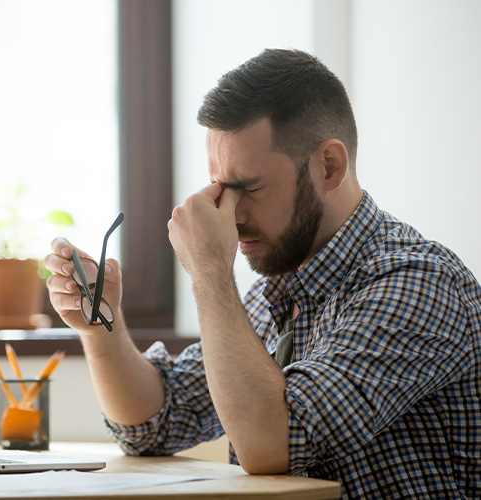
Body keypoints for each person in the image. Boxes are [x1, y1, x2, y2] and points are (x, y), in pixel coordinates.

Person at [45, 49, 480, 499]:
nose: (228, 214)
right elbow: (155, 422)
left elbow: (274, 443)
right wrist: (100, 325)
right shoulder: (278, 287)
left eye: (248, 187)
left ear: (329, 166)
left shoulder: (417, 283)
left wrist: (209, 272)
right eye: (219, 188)